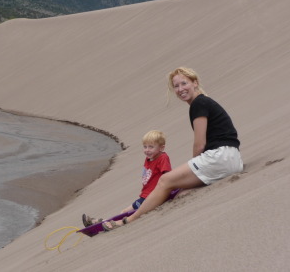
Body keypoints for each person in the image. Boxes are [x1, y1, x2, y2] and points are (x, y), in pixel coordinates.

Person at [102, 67, 243, 230]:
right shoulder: (204, 102)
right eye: (176, 86)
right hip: (232, 160)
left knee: (165, 180)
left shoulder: (199, 103)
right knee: (181, 192)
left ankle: (128, 220)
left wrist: (192, 166)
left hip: (220, 157)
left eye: (184, 83)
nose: (180, 89)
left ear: (195, 83)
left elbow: (199, 144)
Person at [82, 130, 172, 227]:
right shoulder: (149, 158)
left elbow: (168, 176)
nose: (147, 150)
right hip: (144, 196)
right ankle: (100, 222)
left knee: (125, 213)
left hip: (151, 196)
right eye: (145, 146)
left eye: (151, 147)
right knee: (124, 212)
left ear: (161, 148)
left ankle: (101, 223)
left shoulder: (162, 158)